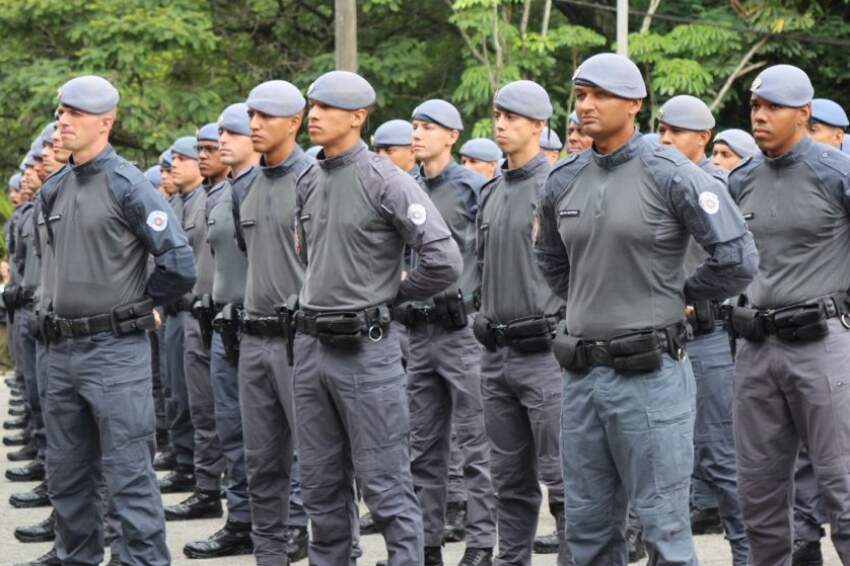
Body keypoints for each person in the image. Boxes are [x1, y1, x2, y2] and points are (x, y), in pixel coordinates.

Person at [536, 53, 757, 566]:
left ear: (634, 104)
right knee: (587, 534)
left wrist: (680, 293)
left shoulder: (672, 173)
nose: (585, 106)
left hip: (651, 376)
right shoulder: (562, 178)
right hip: (581, 376)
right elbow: (549, 259)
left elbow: (737, 258)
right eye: (581, 95)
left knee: (664, 533)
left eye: (599, 95)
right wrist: (593, 299)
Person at [293, 70, 461, 566]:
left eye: (326, 107)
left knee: (386, 486)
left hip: (366, 352)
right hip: (311, 348)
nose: (314, 115)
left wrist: (392, 294)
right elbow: (311, 255)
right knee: (321, 489)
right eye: (312, 105)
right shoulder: (308, 177)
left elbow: (443, 259)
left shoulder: (384, 178)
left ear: (358, 117)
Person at [37, 74, 195, 566]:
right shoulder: (55, 187)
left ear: (104, 123)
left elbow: (179, 263)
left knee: (128, 474)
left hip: (114, 350)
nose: (63, 121)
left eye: (75, 114)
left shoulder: (127, 184)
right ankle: (76, 558)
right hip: (61, 352)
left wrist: (140, 304)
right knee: (66, 475)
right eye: (61, 112)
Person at [729, 64, 850, 566]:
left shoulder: (835, 171)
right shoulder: (741, 179)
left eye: (772, 107)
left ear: (803, 113)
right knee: (757, 495)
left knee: (843, 486)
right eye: (756, 107)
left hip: (823, 346)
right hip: (755, 350)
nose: (760, 116)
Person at [475, 79, 571, 566]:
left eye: (513, 117)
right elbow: (479, 268)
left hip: (546, 356)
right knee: (508, 481)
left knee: (564, 482)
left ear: (539, 125)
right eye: (498, 115)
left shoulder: (557, 185)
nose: (501, 124)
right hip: (496, 357)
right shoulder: (490, 190)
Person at [398, 97, 496, 565]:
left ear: (452, 136)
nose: (417, 134)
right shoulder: (403, 187)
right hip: (418, 331)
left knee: (476, 444)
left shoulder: (474, 188)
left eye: (428, 126)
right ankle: (428, 543)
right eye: (414, 126)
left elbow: (495, 255)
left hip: (462, 331)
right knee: (423, 446)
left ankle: (480, 544)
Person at [657, 94, 749, 565]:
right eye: (662, 131)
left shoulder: (714, 186)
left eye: (677, 132)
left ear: (703, 139)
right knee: (663, 462)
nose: (667, 139)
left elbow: (738, 262)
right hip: (659, 340)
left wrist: (691, 296)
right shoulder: (652, 183)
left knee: (719, 455)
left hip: (707, 337)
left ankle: (746, 553)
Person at [236, 79, 313, 566]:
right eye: (251, 116)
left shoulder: (313, 179)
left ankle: (324, 545)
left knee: (318, 460)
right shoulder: (243, 185)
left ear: (294, 123)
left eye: (266, 117)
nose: (255, 125)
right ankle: (270, 554)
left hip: (301, 339)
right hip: (254, 339)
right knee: (261, 464)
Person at [182, 103, 257, 560]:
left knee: (277, 441)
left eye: (232, 133)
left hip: (268, 330)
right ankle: (244, 521)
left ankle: (291, 523)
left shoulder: (284, 185)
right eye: (217, 136)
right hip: (224, 328)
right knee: (232, 432)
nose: (222, 142)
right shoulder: (218, 195)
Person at [164, 128, 227, 522]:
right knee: (194, 404)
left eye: (207, 150)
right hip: (192, 314)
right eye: (197, 151)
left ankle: (230, 497)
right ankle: (203, 482)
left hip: (222, 316)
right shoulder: (195, 200)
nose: (201, 157)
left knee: (232, 418)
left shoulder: (222, 195)